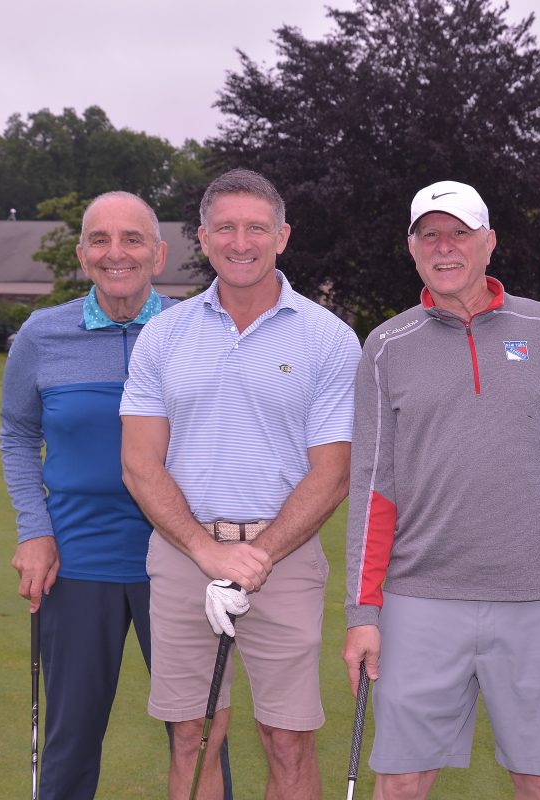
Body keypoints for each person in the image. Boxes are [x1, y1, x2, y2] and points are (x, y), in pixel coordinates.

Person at [342, 180, 540, 800]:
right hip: (420, 598)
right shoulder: (386, 346)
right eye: (429, 235)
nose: (445, 247)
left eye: (459, 234)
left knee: (539, 781)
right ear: (412, 249)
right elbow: (373, 491)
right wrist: (363, 615)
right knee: (401, 781)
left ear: (489, 242)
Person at [119, 168, 360, 800]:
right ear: (203, 238)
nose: (241, 241)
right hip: (183, 556)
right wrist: (208, 551)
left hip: (286, 559)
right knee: (192, 736)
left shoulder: (329, 338)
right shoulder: (163, 334)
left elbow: (333, 471)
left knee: (288, 739)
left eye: (257, 227)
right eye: (224, 228)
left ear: (283, 236)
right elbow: (139, 464)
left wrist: (257, 556)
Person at [1, 191, 235, 798]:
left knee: (200, 737)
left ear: (159, 254)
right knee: (72, 739)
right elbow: (18, 434)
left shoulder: (199, 329)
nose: (116, 253)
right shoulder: (42, 335)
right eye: (100, 240)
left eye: (132, 239)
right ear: (82, 255)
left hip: (184, 561)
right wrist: (34, 530)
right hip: (77, 562)